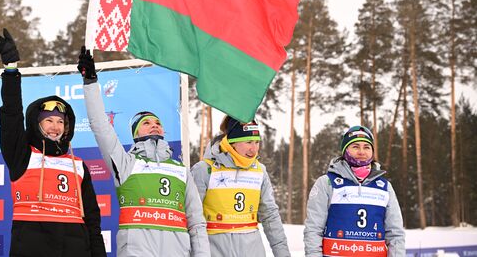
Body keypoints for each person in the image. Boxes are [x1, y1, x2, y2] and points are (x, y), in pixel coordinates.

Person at [0, 29, 106, 257]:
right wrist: (10, 69)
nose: (55, 126)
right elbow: (11, 116)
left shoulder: (78, 166)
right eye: (48, 120)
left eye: (60, 121)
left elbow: (93, 222)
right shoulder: (22, 156)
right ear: (36, 124)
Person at [77, 46, 210, 257]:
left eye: (157, 122)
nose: (154, 125)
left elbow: (196, 222)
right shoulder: (126, 163)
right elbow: (101, 127)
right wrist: (91, 84)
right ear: (135, 133)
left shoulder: (180, 170)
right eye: (146, 123)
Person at [190, 115, 291, 257]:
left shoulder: (259, 171)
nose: (254, 149)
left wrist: (283, 254)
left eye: (257, 142)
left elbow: (270, 216)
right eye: (248, 142)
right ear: (232, 142)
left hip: (252, 250)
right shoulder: (205, 169)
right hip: (215, 249)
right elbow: (192, 217)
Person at [303, 125, 405, 257]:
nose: (362, 152)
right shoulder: (326, 182)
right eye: (355, 146)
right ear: (345, 151)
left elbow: (395, 234)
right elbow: (313, 229)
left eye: (366, 147)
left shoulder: (385, 186)